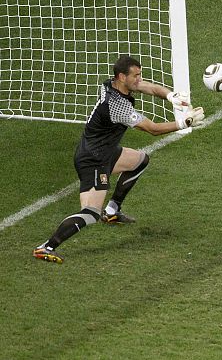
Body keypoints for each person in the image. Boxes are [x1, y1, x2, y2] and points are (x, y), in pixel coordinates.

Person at [32, 55, 205, 264]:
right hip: (93, 160)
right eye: (136, 76)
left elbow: (148, 88)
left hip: (106, 151)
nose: (139, 79)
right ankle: (46, 247)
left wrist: (171, 96)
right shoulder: (117, 107)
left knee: (140, 160)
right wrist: (184, 123)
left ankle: (113, 211)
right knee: (90, 213)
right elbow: (152, 129)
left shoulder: (113, 84)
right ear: (122, 76)